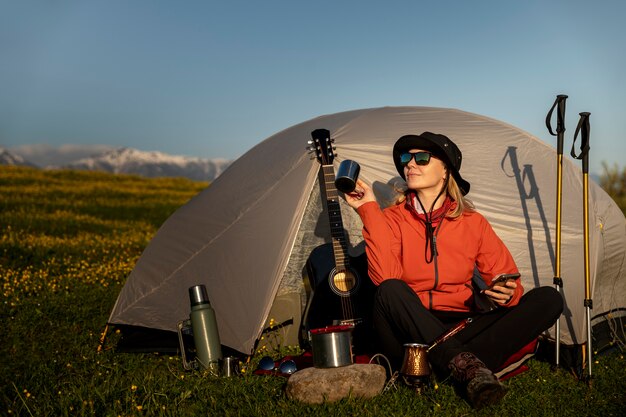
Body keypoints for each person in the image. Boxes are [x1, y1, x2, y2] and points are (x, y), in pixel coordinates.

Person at [344, 132, 563, 409]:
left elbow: (507, 276)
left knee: (549, 299)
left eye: (421, 158)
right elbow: (385, 277)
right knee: (390, 289)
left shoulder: (472, 222)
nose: (409, 164)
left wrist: (507, 294)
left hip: (459, 326)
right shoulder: (391, 219)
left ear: (446, 169)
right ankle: (467, 368)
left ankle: (441, 367)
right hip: (408, 332)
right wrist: (368, 209)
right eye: (405, 158)